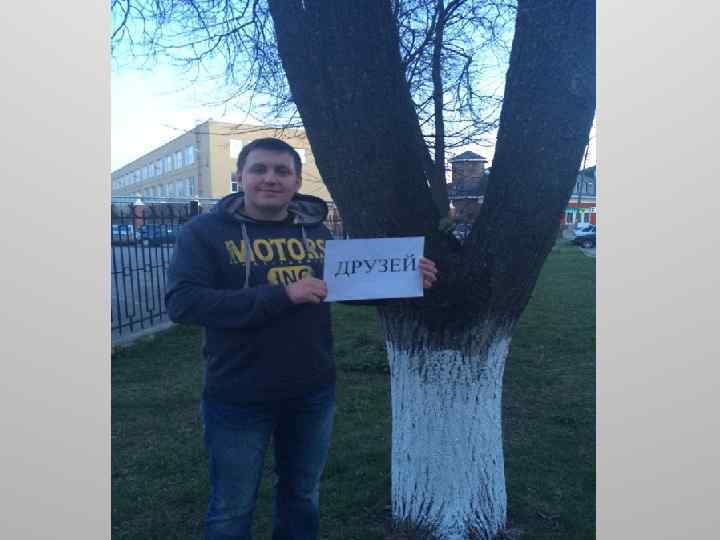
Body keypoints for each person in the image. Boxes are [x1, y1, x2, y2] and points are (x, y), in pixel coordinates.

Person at [165, 137, 438, 540]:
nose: (270, 179)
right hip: (237, 393)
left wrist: (405, 280)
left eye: (282, 171)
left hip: (311, 391)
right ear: (240, 176)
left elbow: (344, 285)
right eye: (259, 169)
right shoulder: (203, 233)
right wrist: (283, 294)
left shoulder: (316, 231)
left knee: (302, 496)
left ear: (296, 182)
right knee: (231, 508)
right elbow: (184, 303)